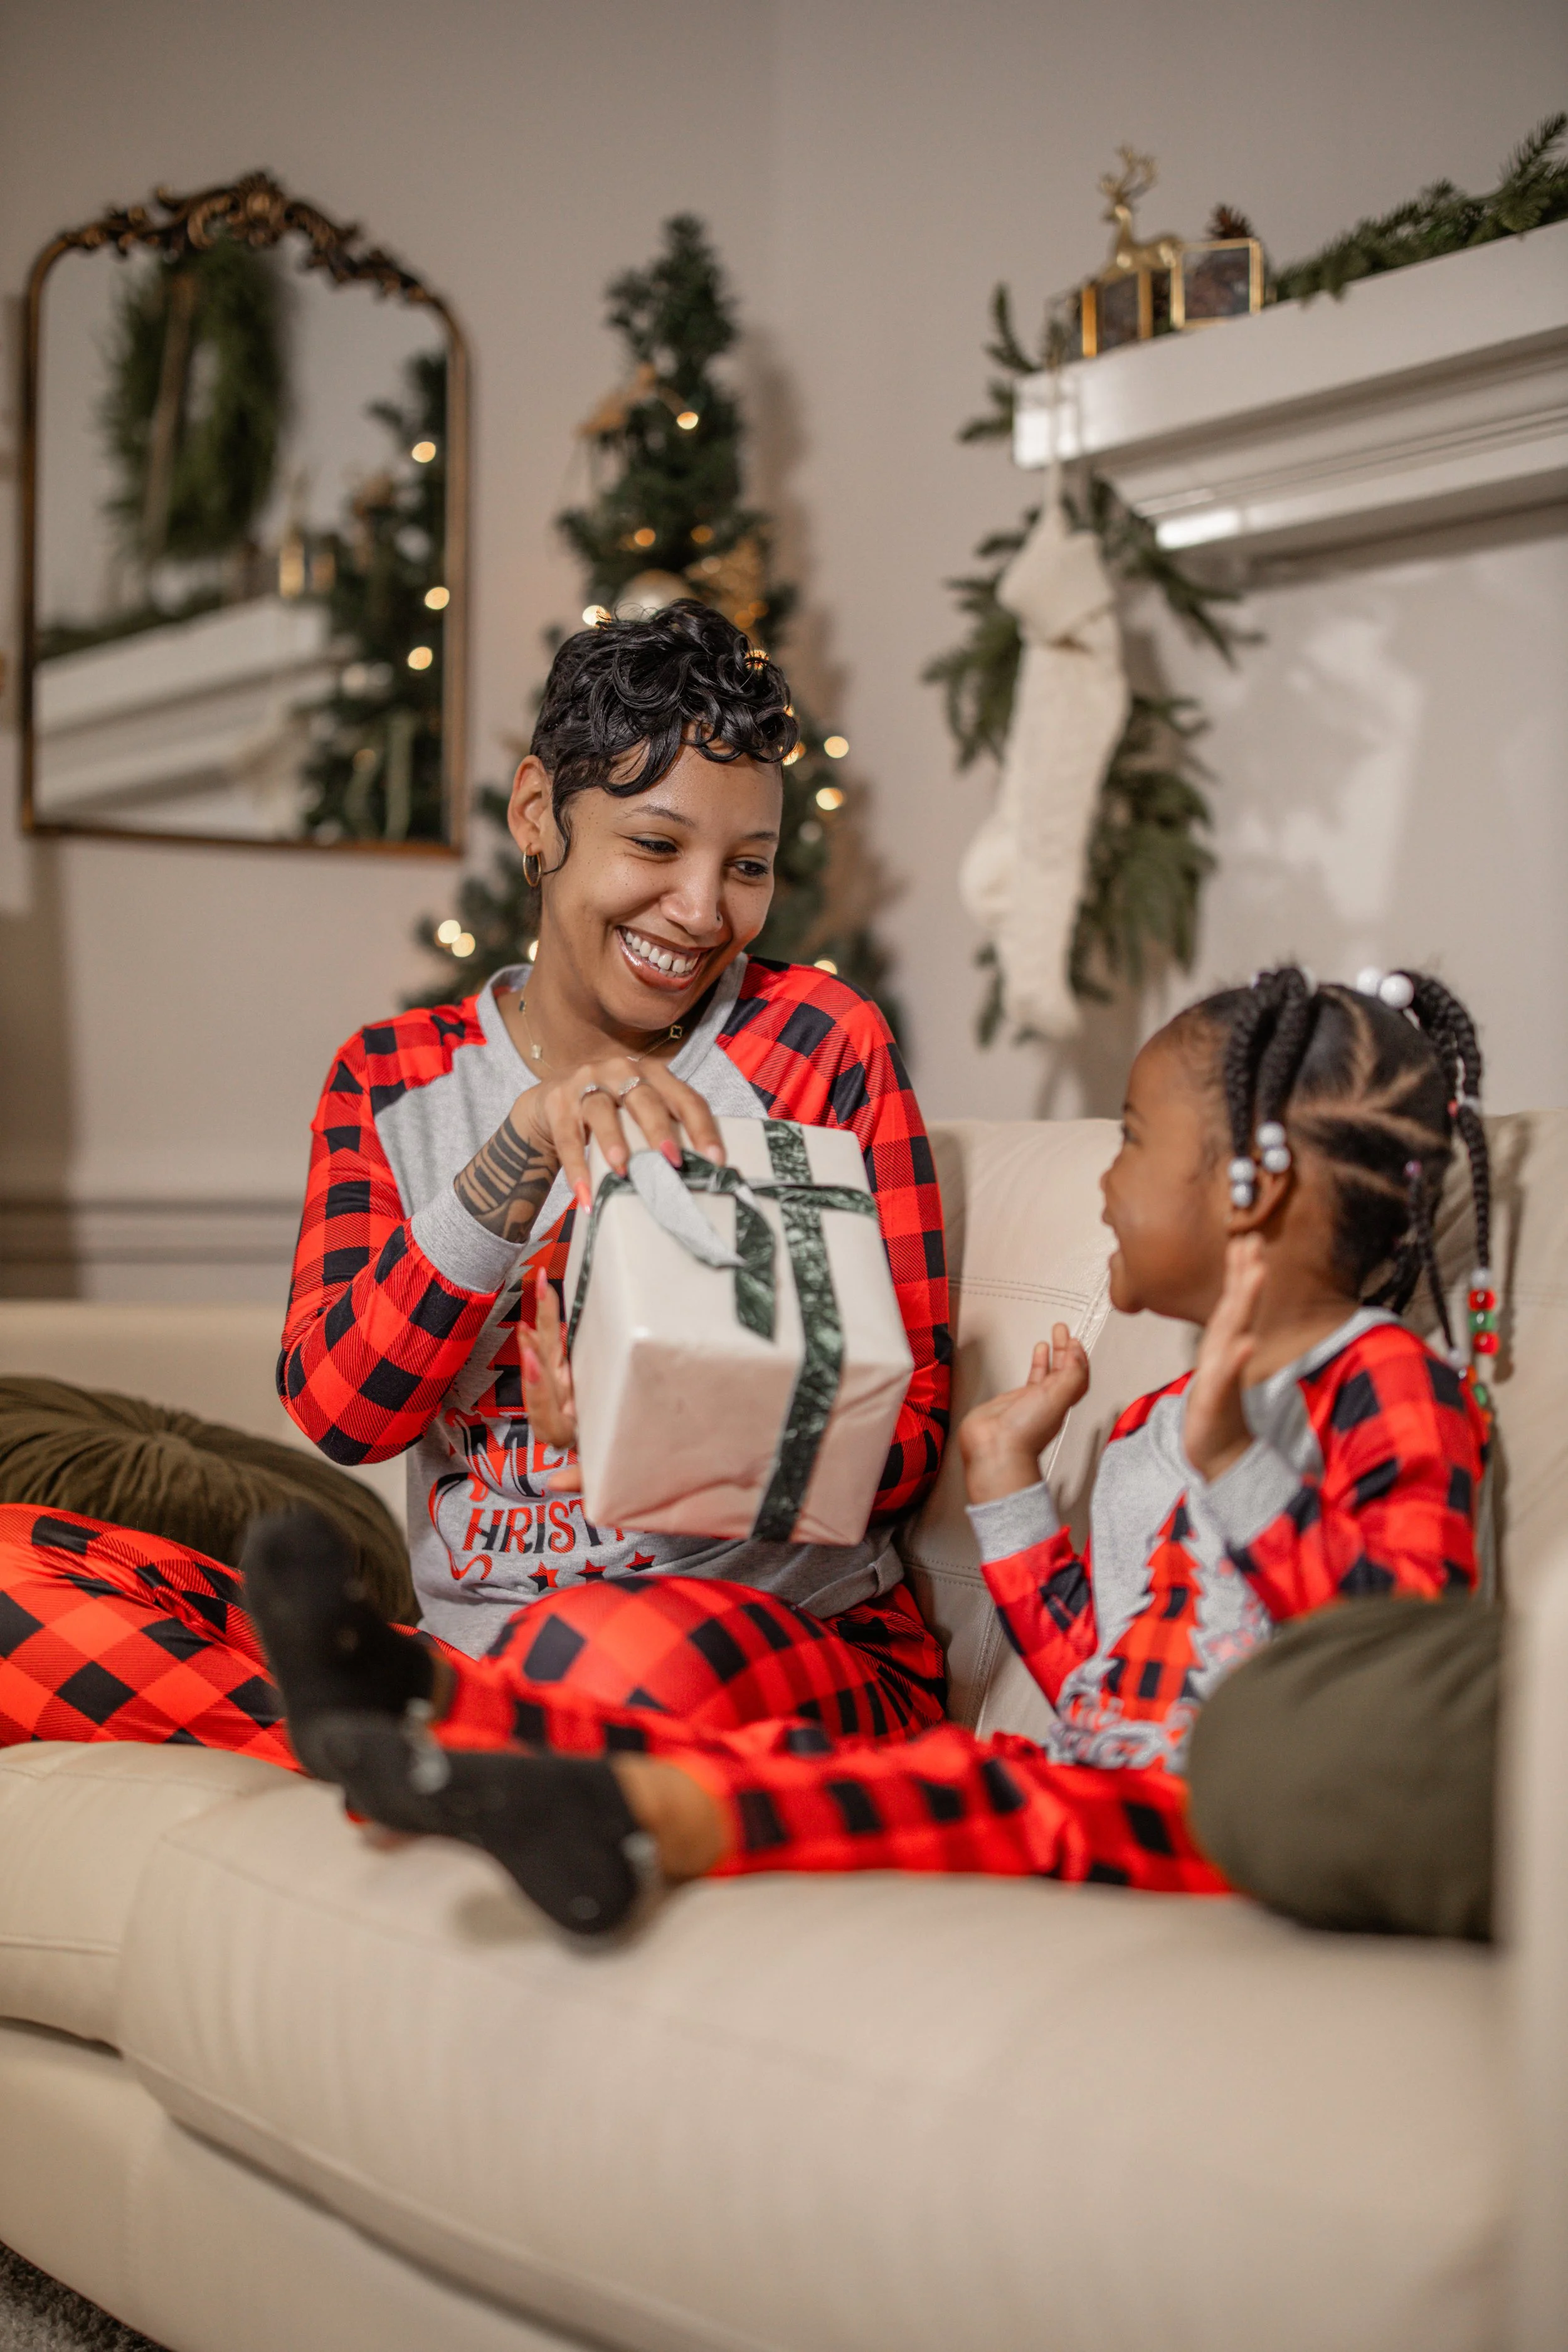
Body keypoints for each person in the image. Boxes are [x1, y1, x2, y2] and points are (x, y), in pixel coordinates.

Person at [246, 964, 1495, 1938]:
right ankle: (430, 1712)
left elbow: (1387, 1679)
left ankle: (621, 1814)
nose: (1103, 1185)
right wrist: (1007, 1485)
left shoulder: (1387, 1387)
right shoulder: (1153, 1424)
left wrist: (1237, 1476)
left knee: (968, 1790)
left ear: (1246, 1196)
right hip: (1110, 1779)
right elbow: (1095, 1683)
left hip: (1227, 1816)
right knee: (868, 1764)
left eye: (1127, 1140)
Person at [0, 603, 950, 1762]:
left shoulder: (813, 1046)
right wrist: (517, 1153)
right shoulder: (390, 1082)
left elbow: (904, 1441)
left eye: (745, 868)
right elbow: (344, 1412)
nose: (705, 913)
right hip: (473, 1652)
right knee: (16, 1577)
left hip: (773, 1640)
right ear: (539, 814)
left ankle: (424, 1744)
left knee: (605, 1652)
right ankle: (451, 1737)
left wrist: (648, 1429)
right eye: (656, 847)